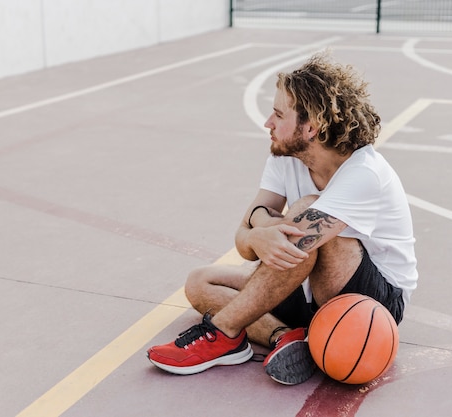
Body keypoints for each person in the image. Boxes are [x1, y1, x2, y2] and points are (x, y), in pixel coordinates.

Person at [146, 52, 418, 385]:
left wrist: (260, 229)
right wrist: (256, 234)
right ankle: (285, 337)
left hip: (372, 304)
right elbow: (247, 238)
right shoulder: (285, 154)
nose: (268, 123)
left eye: (278, 114)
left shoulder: (364, 173)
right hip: (306, 284)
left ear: (312, 127)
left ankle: (221, 333)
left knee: (307, 210)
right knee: (200, 281)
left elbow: (295, 241)